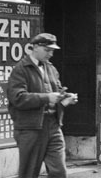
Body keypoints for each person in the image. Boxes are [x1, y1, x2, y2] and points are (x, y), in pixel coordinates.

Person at [7, 33, 78, 178]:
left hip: (53, 125)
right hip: (30, 128)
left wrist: (64, 99)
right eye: (47, 50)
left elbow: (56, 91)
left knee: (59, 172)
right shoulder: (20, 69)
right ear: (35, 47)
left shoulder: (51, 68)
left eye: (52, 50)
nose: (51, 54)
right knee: (29, 172)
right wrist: (47, 98)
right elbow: (18, 98)